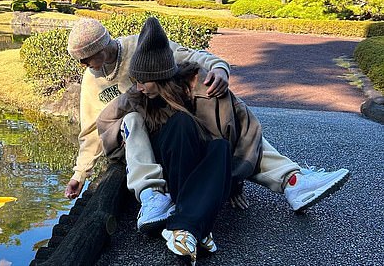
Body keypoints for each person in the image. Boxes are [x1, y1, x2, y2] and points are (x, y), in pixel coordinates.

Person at [63, 17, 349, 234]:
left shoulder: (143, 47)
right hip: (144, 143)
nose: (83, 65)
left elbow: (193, 56)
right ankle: (152, 196)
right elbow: (90, 130)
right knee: (131, 118)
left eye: (85, 58)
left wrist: (219, 69)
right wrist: (80, 174)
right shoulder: (93, 79)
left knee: (231, 119)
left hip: (177, 127)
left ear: (100, 48)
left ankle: (292, 181)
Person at [98, 17, 264, 265]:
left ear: (162, 77)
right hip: (166, 167)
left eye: (144, 81)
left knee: (219, 147)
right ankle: (193, 225)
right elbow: (105, 123)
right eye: (136, 81)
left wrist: (235, 184)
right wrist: (123, 144)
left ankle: (186, 228)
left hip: (192, 163)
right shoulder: (136, 96)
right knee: (181, 124)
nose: (139, 87)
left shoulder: (195, 86)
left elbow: (240, 130)